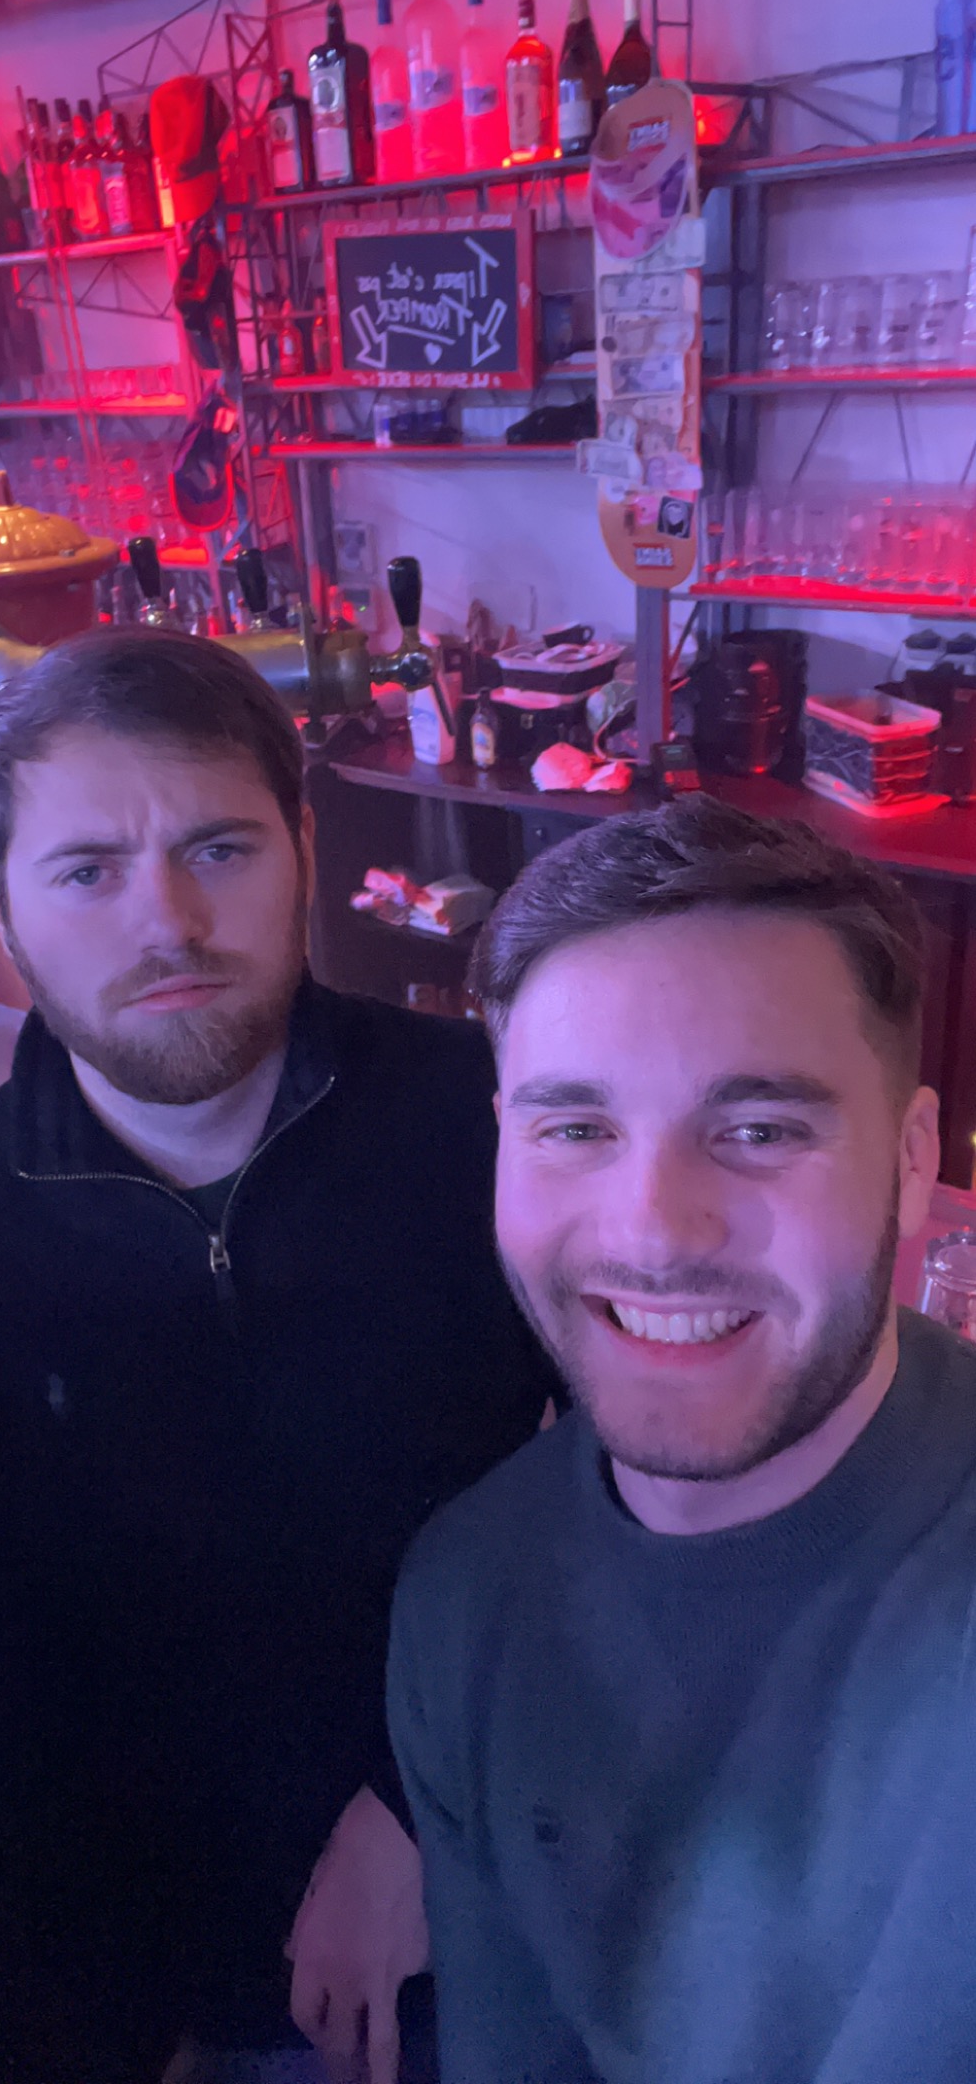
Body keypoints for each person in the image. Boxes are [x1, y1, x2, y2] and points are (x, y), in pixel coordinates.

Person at [0, 627, 551, 2083]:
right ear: (2, 903)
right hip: (158, 1983)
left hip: (512, 1876)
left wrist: (418, 1801)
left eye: (217, 848)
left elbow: (628, 1497)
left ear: (303, 849)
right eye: (87, 871)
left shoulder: (499, 1125)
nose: (165, 921)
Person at [387, 796, 976, 2084]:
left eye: (758, 1131)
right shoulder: (465, 1595)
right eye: (576, 1130)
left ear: (912, 1157)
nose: (654, 1229)